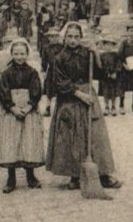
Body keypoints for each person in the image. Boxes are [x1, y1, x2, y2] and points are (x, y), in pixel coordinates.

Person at [45, 22, 121, 191]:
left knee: (95, 136)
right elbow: (60, 82)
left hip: (89, 96)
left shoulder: (88, 54)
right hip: (70, 100)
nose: (73, 40)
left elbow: (101, 75)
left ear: (81, 38)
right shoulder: (60, 58)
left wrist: (96, 53)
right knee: (72, 136)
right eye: (70, 37)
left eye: (76, 37)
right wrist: (79, 94)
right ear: (65, 38)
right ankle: (75, 175)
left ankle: (103, 174)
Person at [0, 40, 45, 192]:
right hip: (11, 110)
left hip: (28, 110)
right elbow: (3, 92)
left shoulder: (32, 72)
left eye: (22, 53)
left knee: (28, 141)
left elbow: (37, 90)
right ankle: (11, 178)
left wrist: (29, 106)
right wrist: (12, 107)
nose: (19, 57)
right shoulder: (6, 73)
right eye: (16, 54)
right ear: (11, 54)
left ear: (27, 54)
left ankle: (31, 175)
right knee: (11, 141)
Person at [41, 26, 63, 116]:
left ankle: (60, 108)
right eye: (51, 36)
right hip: (51, 71)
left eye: (55, 36)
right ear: (49, 38)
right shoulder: (46, 48)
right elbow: (44, 61)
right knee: (49, 90)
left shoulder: (62, 47)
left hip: (61, 71)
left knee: (60, 88)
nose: (53, 38)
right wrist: (43, 70)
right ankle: (48, 107)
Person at [97, 35, 120, 116]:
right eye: (107, 45)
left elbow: (118, 64)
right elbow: (100, 66)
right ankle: (106, 106)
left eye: (110, 45)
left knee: (113, 91)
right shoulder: (101, 55)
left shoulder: (116, 55)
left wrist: (115, 72)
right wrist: (106, 73)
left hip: (114, 77)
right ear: (104, 46)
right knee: (105, 92)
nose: (108, 47)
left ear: (113, 46)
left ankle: (113, 106)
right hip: (104, 77)